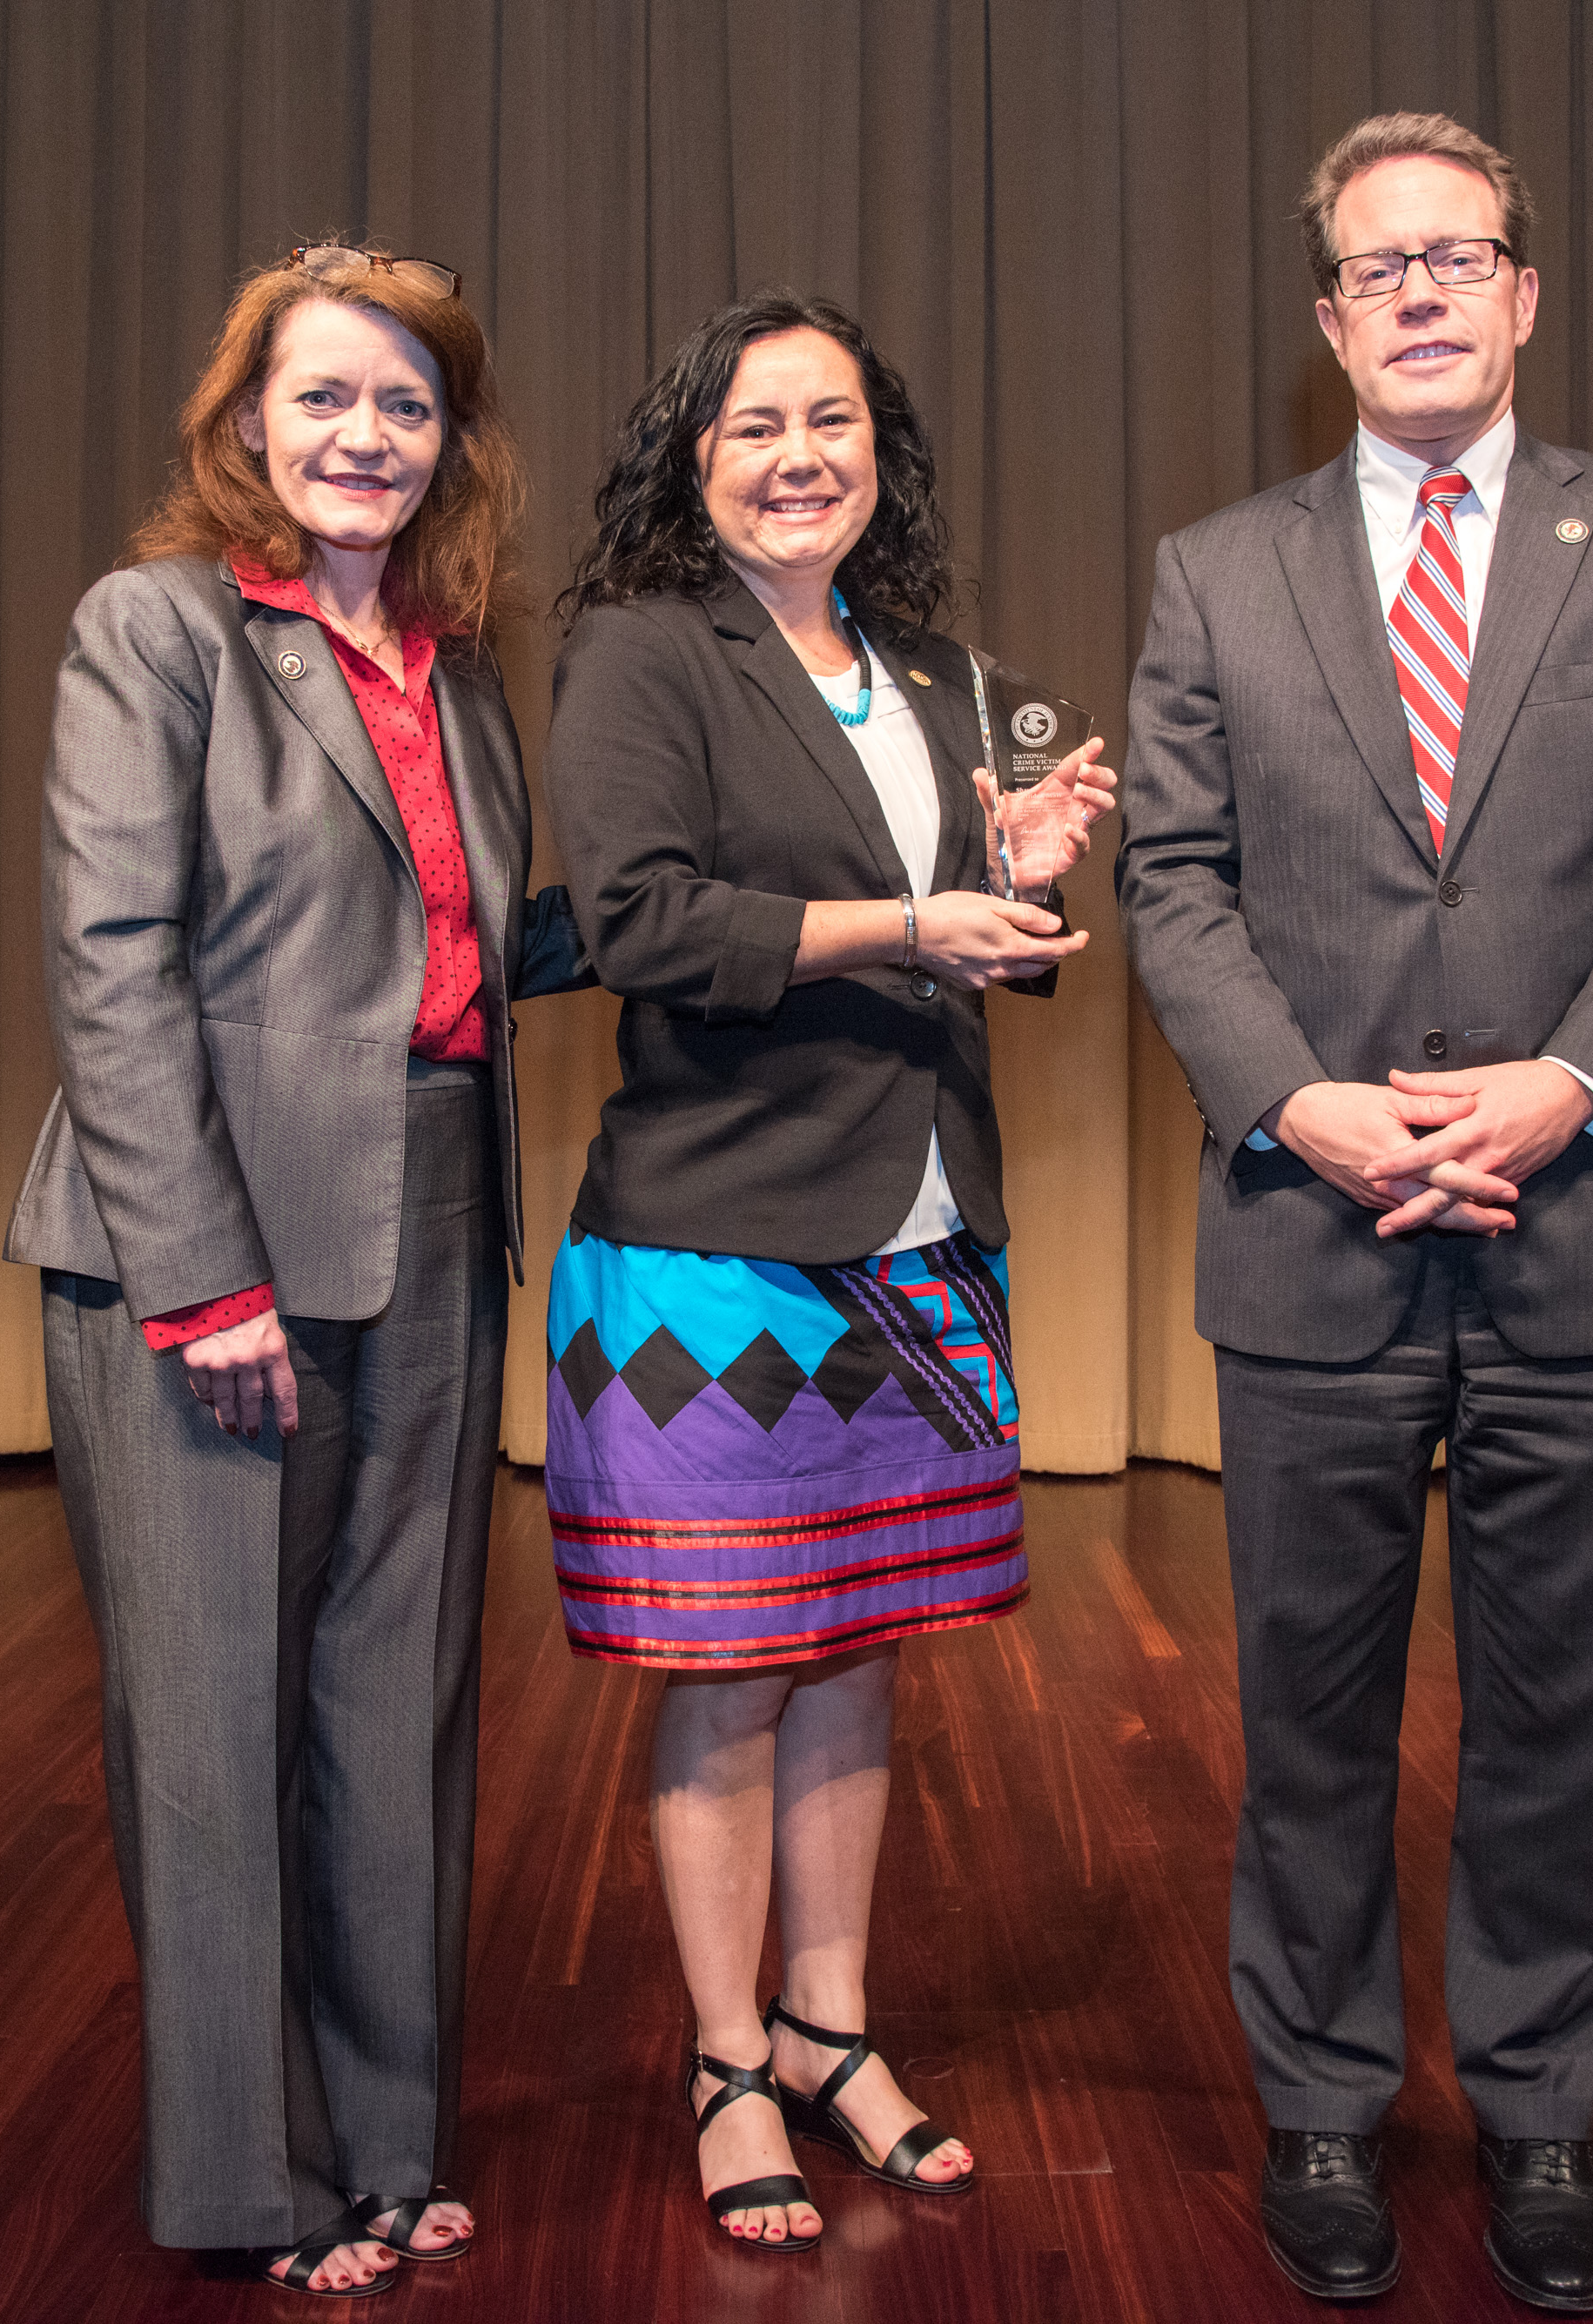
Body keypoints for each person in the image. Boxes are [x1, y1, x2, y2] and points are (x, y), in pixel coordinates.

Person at [1119, 114, 1593, 2312]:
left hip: (1583, 1239)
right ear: (1326, 321)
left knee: (1559, 1712)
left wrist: (1563, 1088)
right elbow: (1172, 881)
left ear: (1517, 298)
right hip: (1310, 1238)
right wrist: (1300, 1105)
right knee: (1306, 1718)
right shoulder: (1216, 571)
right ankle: (1317, 2099)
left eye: (1453, 256)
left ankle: (1540, 2113)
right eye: (1371, 266)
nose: (1414, 292)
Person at [3, 242, 591, 2302]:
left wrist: (844, 893)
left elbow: (491, 946)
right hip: (207, 1245)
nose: (363, 437)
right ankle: (248, 2176)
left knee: (391, 1706)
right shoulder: (154, 629)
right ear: (247, 418)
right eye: (323, 397)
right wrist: (201, 1275)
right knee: (213, 1719)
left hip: (431, 1213)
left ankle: (392, 2139)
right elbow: (110, 964)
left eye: (406, 406)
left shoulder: (453, 653)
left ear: (452, 443)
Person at [541, 292, 1119, 2253]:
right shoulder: (640, 649)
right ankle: (720, 2061)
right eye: (754, 425)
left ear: (884, 451)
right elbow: (633, 916)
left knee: (861, 1653)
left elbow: (999, 948)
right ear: (690, 461)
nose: (801, 455)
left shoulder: (946, 676)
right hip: (711, 1254)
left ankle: (829, 2029)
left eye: (835, 421)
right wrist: (906, 920)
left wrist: (1032, 879)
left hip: (924, 1232)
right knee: (728, 1673)